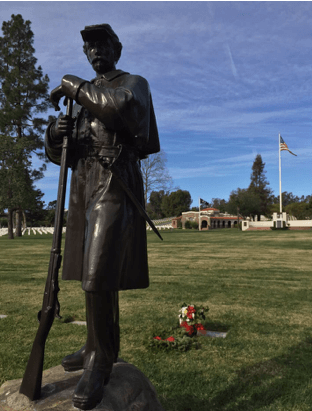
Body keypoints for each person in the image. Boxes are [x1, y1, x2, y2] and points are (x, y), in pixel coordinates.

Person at [46, 24, 159, 410]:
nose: (94, 51)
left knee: (97, 273)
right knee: (94, 273)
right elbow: (65, 150)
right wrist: (55, 134)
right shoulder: (81, 100)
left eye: (101, 45)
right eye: (88, 47)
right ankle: (99, 343)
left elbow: (119, 108)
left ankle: (99, 360)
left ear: (116, 48)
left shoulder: (133, 83)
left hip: (115, 182)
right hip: (84, 185)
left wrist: (73, 85)